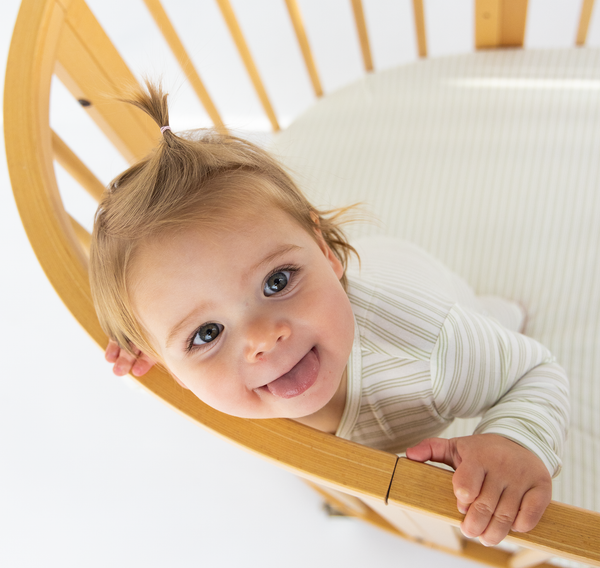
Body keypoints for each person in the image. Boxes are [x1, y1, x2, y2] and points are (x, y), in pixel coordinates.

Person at [90, 82, 569, 548]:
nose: (262, 337)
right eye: (206, 333)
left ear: (324, 250)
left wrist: (516, 440)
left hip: (425, 289)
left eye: (277, 281)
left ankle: (497, 312)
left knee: (486, 330)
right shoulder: (210, 368)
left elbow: (536, 371)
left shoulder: (434, 350)